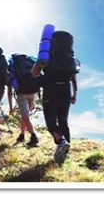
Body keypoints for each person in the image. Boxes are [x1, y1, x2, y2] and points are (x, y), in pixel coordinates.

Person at [32, 30, 79, 164]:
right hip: (65, 89)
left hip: (50, 89)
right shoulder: (71, 58)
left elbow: (34, 74)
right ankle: (65, 153)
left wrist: (40, 60)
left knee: (51, 121)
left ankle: (61, 142)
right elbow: (73, 77)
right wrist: (75, 94)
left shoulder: (46, 55)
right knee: (64, 121)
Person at [7, 54, 40, 147]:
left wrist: (10, 107)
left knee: (25, 116)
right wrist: (33, 100)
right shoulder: (29, 65)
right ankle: (22, 135)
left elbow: (9, 91)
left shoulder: (12, 68)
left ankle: (34, 137)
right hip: (33, 92)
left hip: (21, 93)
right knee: (24, 115)